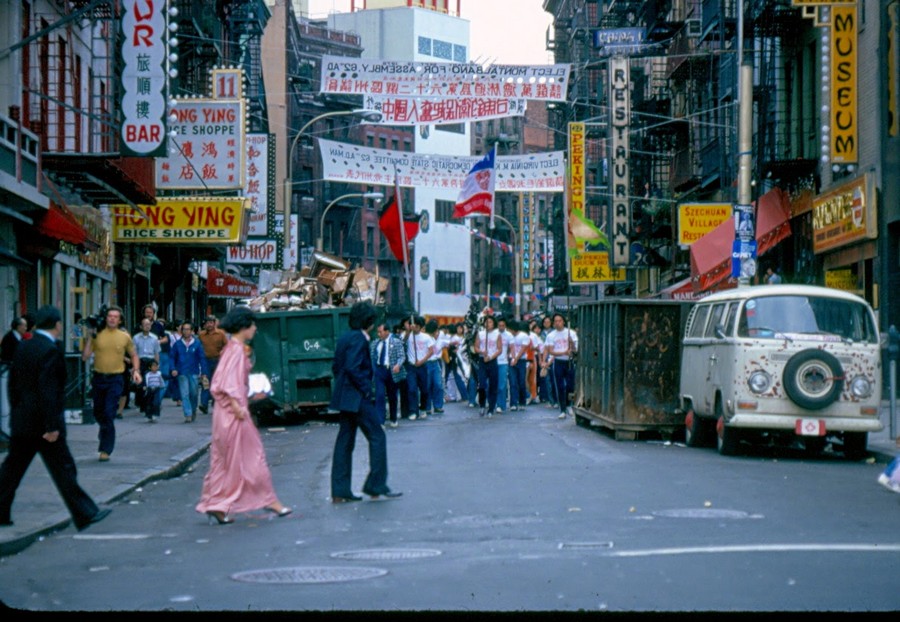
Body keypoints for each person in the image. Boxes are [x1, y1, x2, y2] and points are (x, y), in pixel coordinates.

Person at [0, 305, 112, 531]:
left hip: (23, 422)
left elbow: (13, 386)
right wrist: (52, 425)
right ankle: (85, 512)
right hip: (45, 425)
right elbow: (48, 390)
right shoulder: (50, 351)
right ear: (58, 325)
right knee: (63, 469)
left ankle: (2, 512)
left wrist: (18, 413)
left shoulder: (24, 346)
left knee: (12, 470)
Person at [195, 306, 291, 525]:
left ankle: (218, 505)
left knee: (224, 461)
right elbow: (224, 384)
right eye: (253, 325)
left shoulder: (232, 348)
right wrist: (238, 406)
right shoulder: (236, 350)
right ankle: (269, 500)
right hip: (234, 413)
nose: (256, 329)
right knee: (252, 457)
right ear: (244, 327)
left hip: (225, 414)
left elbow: (218, 383)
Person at [330, 301, 401, 503]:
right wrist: (366, 390)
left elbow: (337, 367)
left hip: (344, 397)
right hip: (357, 397)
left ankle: (339, 490)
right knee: (377, 435)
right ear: (369, 322)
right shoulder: (360, 339)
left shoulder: (344, 338)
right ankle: (375, 484)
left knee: (344, 442)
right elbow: (353, 368)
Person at [82, 306, 141, 461]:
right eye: (110, 316)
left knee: (109, 413)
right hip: (99, 377)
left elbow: (134, 355)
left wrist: (136, 370)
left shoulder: (124, 336)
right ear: (106, 318)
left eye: (116, 316)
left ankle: (106, 449)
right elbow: (85, 356)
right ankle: (104, 429)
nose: (112, 319)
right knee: (98, 413)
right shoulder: (98, 334)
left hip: (115, 379)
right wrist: (90, 337)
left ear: (120, 320)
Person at [170, 320, 209, 423]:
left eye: (188, 329)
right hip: (181, 372)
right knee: (184, 394)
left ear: (192, 331)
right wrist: (173, 368)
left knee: (194, 393)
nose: (186, 331)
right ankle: (188, 414)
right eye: (184, 329)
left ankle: (193, 409)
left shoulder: (197, 343)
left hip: (194, 372)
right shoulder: (177, 344)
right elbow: (172, 357)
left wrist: (204, 371)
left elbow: (202, 358)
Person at [371, 322, 406, 427]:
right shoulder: (375, 343)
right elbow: (372, 357)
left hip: (391, 371)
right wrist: (374, 370)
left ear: (387, 331)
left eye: (380, 332)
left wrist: (398, 365)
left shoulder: (396, 342)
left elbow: (402, 356)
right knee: (380, 396)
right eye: (377, 332)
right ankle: (380, 421)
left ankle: (393, 418)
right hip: (380, 371)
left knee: (392, 396)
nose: (379, 334)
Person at [542, 313, 576, 420]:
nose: (557, 323)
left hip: (569, 362)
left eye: (559, 320)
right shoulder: (551, 335)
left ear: (563, 321)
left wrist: (572, 344)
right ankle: (562, 409)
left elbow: (575, 350)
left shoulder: (571, 333)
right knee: (560, 386)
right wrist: (563, 352)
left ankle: (570, 405)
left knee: (570, 385)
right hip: (558, 362)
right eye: (555, 321)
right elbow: (551, 350)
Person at [1, 317, 28, 440]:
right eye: (24, 326)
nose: (26, 328)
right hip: (9, 374)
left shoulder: (19, 338)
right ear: (18, 327)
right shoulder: (10, 338)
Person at [404, 315, 433, 421]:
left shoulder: (426, 337)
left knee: (424, 389)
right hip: (411, 366)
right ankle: (413, 411)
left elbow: (431, 351)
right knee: (412, 389)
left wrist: (422, 361)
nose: (414, 327)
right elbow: (404, 340)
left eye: (416, 326)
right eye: (413, 325)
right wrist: (408, 331)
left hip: (422, 365)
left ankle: (423, 408)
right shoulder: (409, 335)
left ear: (420, 327)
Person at [198, 315, 227, 414]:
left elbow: (227, 346)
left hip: (218, 360)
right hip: (205, 361)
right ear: (205, 325)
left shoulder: (221, 334)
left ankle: (215, 403)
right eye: (207, 323)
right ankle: (204, 404)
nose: (209, 325)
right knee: (205, 382)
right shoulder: (201, 335)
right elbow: (198, 347)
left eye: (211, 322)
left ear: (214, 323)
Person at [132, 318, 161, 418]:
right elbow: (134, 353)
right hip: (140, 361)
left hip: (150, 361)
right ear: (141, 326)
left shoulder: (154, 338)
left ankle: (150, 408)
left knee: (151, 385)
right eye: (145, 324)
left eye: (149, 324)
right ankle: (142, 404)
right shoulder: (136, 338)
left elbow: (156, 353)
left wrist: (157, 365)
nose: (147, 326)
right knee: (141, 385)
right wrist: (135, 367)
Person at [478, 315, 502, 418]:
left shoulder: (497, 334)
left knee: (493, 385)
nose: (488, 324)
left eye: (490, 322)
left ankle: (491, 408)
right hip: (482, 360)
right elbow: (475, 347)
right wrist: (482, 352)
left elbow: (499, 349)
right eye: (486, 322)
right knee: (482, 384)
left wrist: (491, 356)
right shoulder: (480, 334)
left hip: (492, 361)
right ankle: (482, 404)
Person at [424, 320, 446, 415]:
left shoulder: (435, 339)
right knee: (427, 385)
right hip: (427, 363)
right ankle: (428, 406)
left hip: (435, 362)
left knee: (438, 384)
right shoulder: (426, 338)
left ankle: (438, 406)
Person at [508, 320, 530, 411]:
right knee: (512, 382)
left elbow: (523, 349)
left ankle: (522, 401)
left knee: (521, 381)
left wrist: (516, 359)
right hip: (511, 359)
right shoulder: (509, 336)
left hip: (521, 360)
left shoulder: (524, 336)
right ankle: (513, 403)